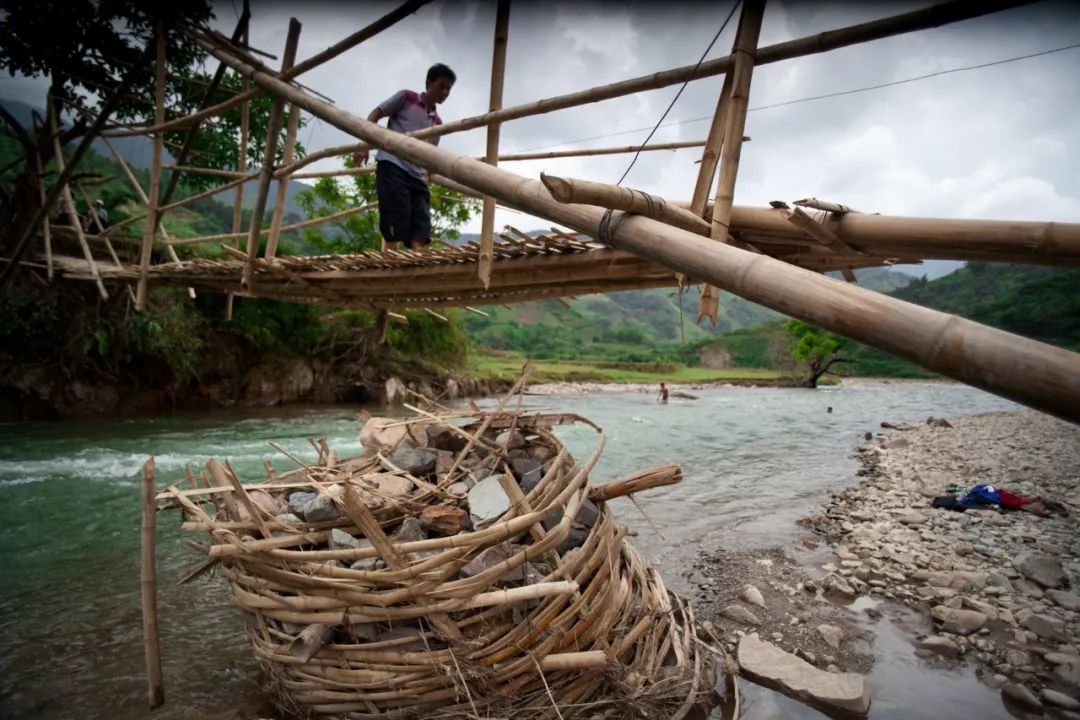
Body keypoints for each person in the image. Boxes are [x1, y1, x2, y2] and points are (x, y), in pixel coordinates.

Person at [354, 63, 456, 251]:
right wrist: (364, 145)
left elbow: (430, 157)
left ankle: (418, 266)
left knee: (421, 226)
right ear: (428, 83)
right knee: (396, 217)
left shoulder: (438, 123)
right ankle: (390, 262)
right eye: (442, 86)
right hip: (393, 165)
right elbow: (375, 114)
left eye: (448, 89)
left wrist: (427, 175)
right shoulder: (406, 98)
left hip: (417, 176)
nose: (445, 92)